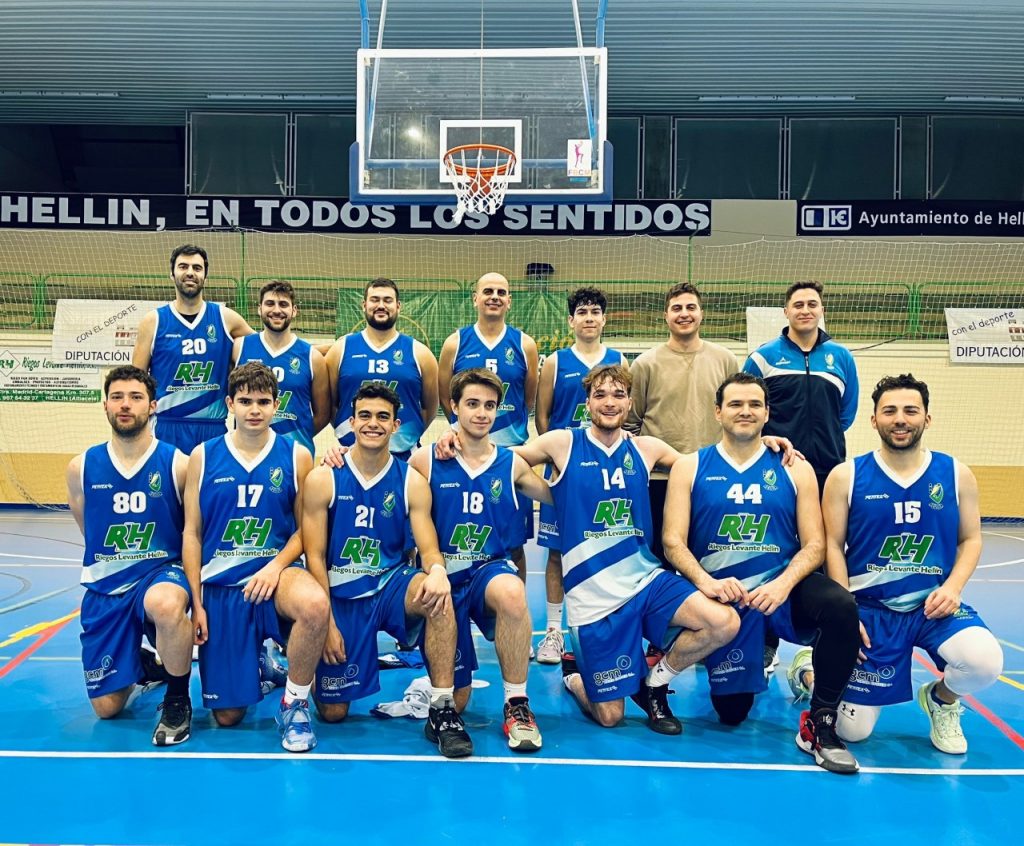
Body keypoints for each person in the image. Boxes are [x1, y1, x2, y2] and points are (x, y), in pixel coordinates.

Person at [515, 364, 740, 734]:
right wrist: (458, 443)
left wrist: (764, 447)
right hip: (593, 598)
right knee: (610, 717)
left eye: (619, 395)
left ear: (630, 403)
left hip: (646, 581)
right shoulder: (562, 443)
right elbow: (506, 461)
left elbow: (709, 467)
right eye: (600, 394)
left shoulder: (646, 448)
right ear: (588, 402)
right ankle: (575, 676)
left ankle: (655, 683)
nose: (610, 402)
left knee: (723, 622)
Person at [661, 372, 861, 774]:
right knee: (732, 713)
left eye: (755, 404)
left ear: (768, 413)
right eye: (735, 404)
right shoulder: (690, 466)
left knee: (840, 606)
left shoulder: (795, 467)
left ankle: (821, 722)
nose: (745, 411)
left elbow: (815, 545)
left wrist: (783, 585)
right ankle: (778, 662)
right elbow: (672, 542)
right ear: (718, 412)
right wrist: (706, 583)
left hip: (778, 589)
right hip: (724, 599)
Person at [823, 374, 1003, 754]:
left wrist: (953, 588)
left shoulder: (955, 474)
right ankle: (811, 669)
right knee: (852, 731)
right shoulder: (846, 476)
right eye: (889, 411)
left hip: (932, 608)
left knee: (984, 661)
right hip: (871, 610)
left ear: (927, 418)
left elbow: (971, 539)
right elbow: (832, 547)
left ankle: (942, 700)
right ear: (874, 420)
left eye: (910, 410)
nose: (900, 419)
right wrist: (844, 614)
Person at [302, 383, 473, 758]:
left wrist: (437, 572)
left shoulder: (411, 480)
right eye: (364, 415)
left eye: (383, 417)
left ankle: (442, 708)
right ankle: (311, 668)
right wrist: (325, 623)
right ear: (350, 422)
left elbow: (429, 548)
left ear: (396, 425)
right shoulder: (324, 477)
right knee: (332, 713)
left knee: (438, 595)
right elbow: (314, 556)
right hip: (342, 595)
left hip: (391, 585)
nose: (373, 423)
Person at [182, 362, 329, 752]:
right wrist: (196, 603)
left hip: (276, 577)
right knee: (228, 717)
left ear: (276, 405)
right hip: (223, 587)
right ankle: (259, 663)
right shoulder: (203, 456)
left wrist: (275, 566)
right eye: (245, 401)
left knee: (315, 605)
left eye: (263, 402)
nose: (254, 410)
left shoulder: (297, 455)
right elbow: (192, 533)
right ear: (230, 403)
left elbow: (305, 530)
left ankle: (294, 705)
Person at [411, 368, 551, 752]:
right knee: (458, 700)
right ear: (453, 407)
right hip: (444, 576)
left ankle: (517, 703)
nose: (482, 413)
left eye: (490, 406)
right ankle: (441, 703)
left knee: (513, 591)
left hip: (488, 570)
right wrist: (337, 455)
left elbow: (558, 495)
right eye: (472, 404)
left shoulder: (511, 463)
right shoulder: (426, 460)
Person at [65, 365, 194, 746]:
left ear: (152, 406)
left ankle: (178, 700)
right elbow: (89, 527)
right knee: (107, 709)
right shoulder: (81, 467)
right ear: (104, 404)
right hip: (107, 584)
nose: (125, 405)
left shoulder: (177, 463)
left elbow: (191, 532)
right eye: (117, 397)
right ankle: (144, 663)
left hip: (160, 573)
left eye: (136, 397)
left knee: (166, 605)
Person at [534, 286, 625, 664]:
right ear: (571, 321)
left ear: (604, 319)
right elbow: (542, 417)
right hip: (566, 469)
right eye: (582, 312)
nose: (589, 318)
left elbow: (622, 413)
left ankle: (599, 626)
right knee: (557, 551)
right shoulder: (556, 362)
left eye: (595, 312)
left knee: (606, 547)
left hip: (605, 472)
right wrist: (558, 458)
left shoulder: (619, 360)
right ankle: (554, 631)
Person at [624, 282, 739, 568]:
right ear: (666, 316)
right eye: (677, 308)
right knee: (659, 561)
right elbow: (631, 424)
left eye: (691, 307)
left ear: (702, 313)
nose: (684, 314)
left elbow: (736, 416)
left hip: (712, 479)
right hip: (660, 482)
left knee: (708, 561)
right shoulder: (645, 364)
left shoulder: (725, 360)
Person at [437, 272, 539, 583]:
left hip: (510, 456)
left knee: (514, 544)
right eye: (488, 291)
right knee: (457, 539)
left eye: (501, 292)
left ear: (509, 301)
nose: (494, 297)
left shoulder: (525, 344)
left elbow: (528, 399)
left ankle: (514, 603)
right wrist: (459, 431)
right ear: (475, 299)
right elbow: (445, 397)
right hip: (463, 458)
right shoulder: (455, 343)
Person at [743, 280, 859, 496]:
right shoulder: (762, 358)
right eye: (798, 305)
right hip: (776, 465)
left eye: (812, 304)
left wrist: (824, 438)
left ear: (822, 310)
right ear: (786, 312)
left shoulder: (843, 357)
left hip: (828, 466)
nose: (805, 310)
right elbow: (747, 410)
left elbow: (845, 415)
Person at [326, 277, 439, 461]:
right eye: (375, 300)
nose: (381, 305)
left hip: (406, 456)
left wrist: (404, 436)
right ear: (364, 305)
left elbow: (429, 408)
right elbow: (330, 405)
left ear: (398, 306)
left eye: (387, 300)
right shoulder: (340, 349)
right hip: (350, 454)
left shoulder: (420, 353)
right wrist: (345, 432)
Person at [232, 280, 330, 459]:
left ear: (294, 310)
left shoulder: (312, 358)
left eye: (283, 304)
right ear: (259, 308)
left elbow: (323, 414)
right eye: (270, 303)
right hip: (246, 453)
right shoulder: (239, 348)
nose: (276, 310)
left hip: (294, 454)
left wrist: (296, 436)